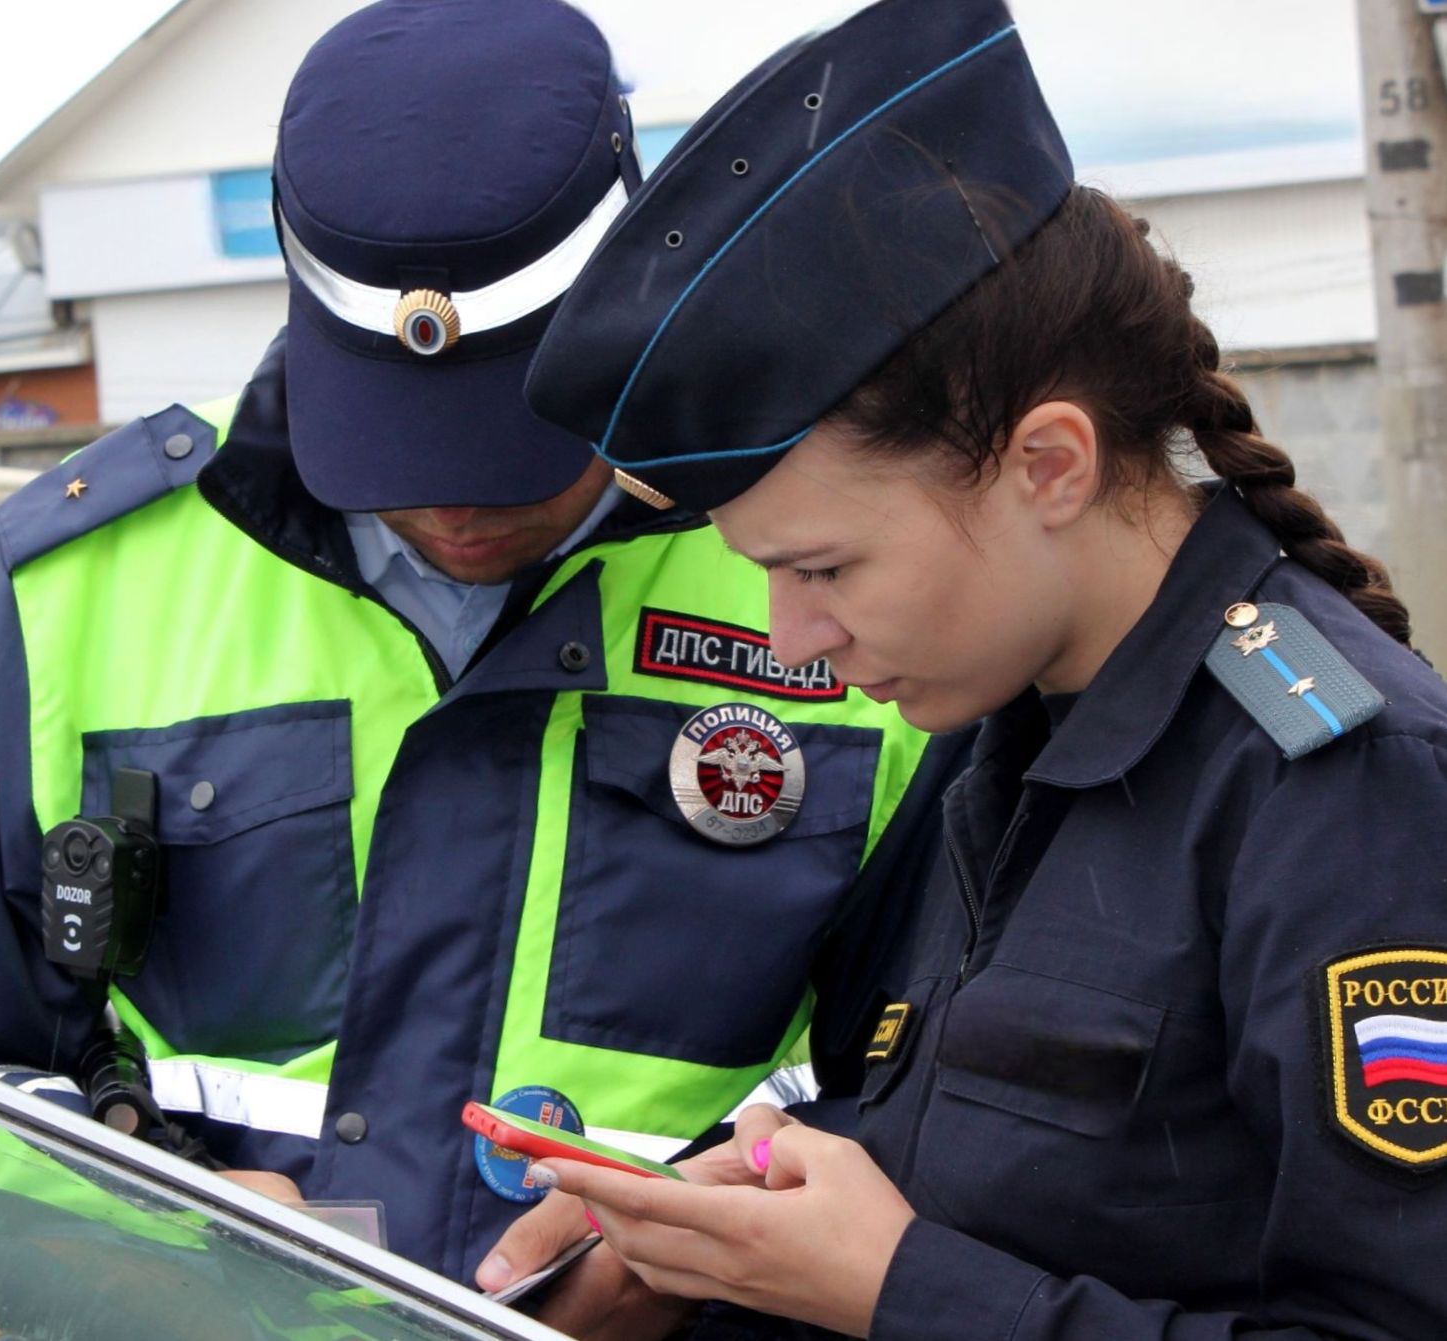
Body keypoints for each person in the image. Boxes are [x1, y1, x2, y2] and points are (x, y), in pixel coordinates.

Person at [0, 0, 943, 1287]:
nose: (456, 504)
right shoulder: (74, 581)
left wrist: (713, 1247)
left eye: (515, 440)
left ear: (635, 282)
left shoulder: (827, 567)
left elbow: (965, 1083)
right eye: (399, 445)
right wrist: (138, 1216)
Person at [477, 0, 1447, 1336]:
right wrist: (703, 1232)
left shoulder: (1338, 789)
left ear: (1045, 464)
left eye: (821, 569)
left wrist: (893, 1290)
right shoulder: (998, 733)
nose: (786, 639)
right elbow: (969, 1164)